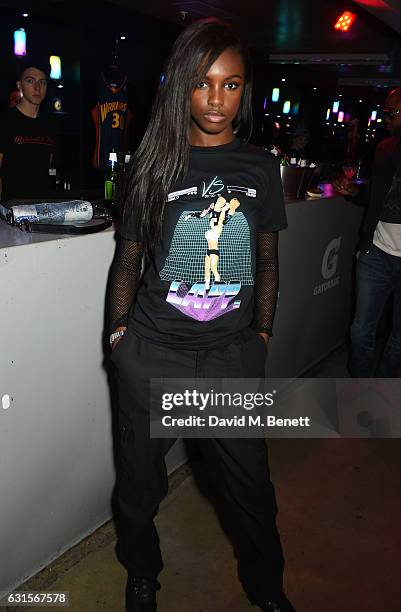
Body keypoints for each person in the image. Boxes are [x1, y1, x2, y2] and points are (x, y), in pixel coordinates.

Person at [108, 18, 294, 612]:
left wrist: (259, 337)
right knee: (139, 489)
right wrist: (118, 338)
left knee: (251, 491)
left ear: (245, 91)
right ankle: (143, 575)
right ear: (181, 86)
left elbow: (266, 263)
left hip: (227, 358)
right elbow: (131, 257)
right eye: (204, 83)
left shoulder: (261, 169)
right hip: (153, 351)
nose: (217, 99)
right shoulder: (152, 164)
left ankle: (266, 590)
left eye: (232, 84)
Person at [334, 87, 401, 377]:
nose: (386, 117)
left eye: (392, 112)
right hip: (376, 251)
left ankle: (382, 390)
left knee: (399, 340)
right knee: (361, 331)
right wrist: (354, 191)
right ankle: (360, 391)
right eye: (385, 111)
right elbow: (375, 195)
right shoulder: (386, 148)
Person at [0, 61, 56, 201]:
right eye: (30, 81)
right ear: (20, 86)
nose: (37, 87)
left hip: (43, 208)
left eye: (42, 82)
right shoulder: (5, 121)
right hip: (11, 210)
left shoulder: (50, 124)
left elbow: (49, 166)